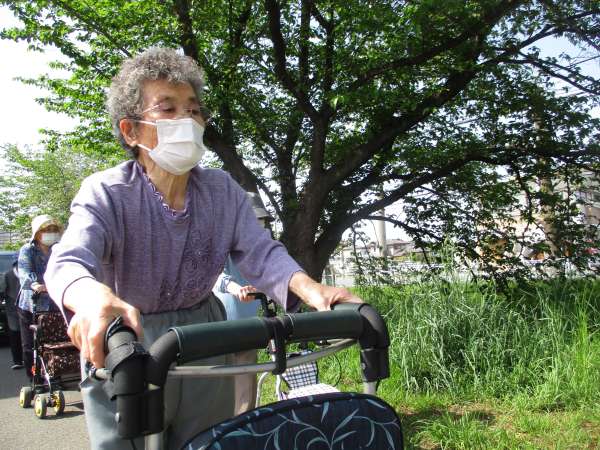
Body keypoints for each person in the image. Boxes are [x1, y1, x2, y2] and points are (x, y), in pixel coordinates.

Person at [45, 47, 361, 450]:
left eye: (194, 110)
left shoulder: (221, 191)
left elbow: (261, 252)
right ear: (131, 131)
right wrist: (89, 297)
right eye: (168, 108)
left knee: (207, 442)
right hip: (127, 339)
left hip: (205, 336)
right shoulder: (107, 192)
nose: (188, 120)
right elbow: (69, 259)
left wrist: (313, 290)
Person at [214, 192, 272, 415]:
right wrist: (236, 289)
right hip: (221, 325)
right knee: (219, 387)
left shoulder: (262, 247)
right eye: (253, 220)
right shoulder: (222, 242)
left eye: (261, 221)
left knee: (246, 387)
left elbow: (271, 278)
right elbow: (216, 276)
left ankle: (244, 425)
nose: (258, 226)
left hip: (249, 326)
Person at [17, 214, 63, 380]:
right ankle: (34, 379)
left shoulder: (58, 249)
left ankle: (55, 374)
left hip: (54, 302)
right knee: (30, 345)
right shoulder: (28, 250)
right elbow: (23, 271)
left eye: (53, 229)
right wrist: (35, 284)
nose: (51, 232)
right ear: (37, 233)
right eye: (47, 230)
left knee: (55, 341)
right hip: (31, 304)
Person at [1, 257, 23, 369]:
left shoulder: (29, 274)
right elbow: (2, 291)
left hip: (27, 309)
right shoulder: (7, 275)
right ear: (15, 264)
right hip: (12, 310)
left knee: (28, 335)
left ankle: (29, 359)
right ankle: (17, 361)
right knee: (15, 333)